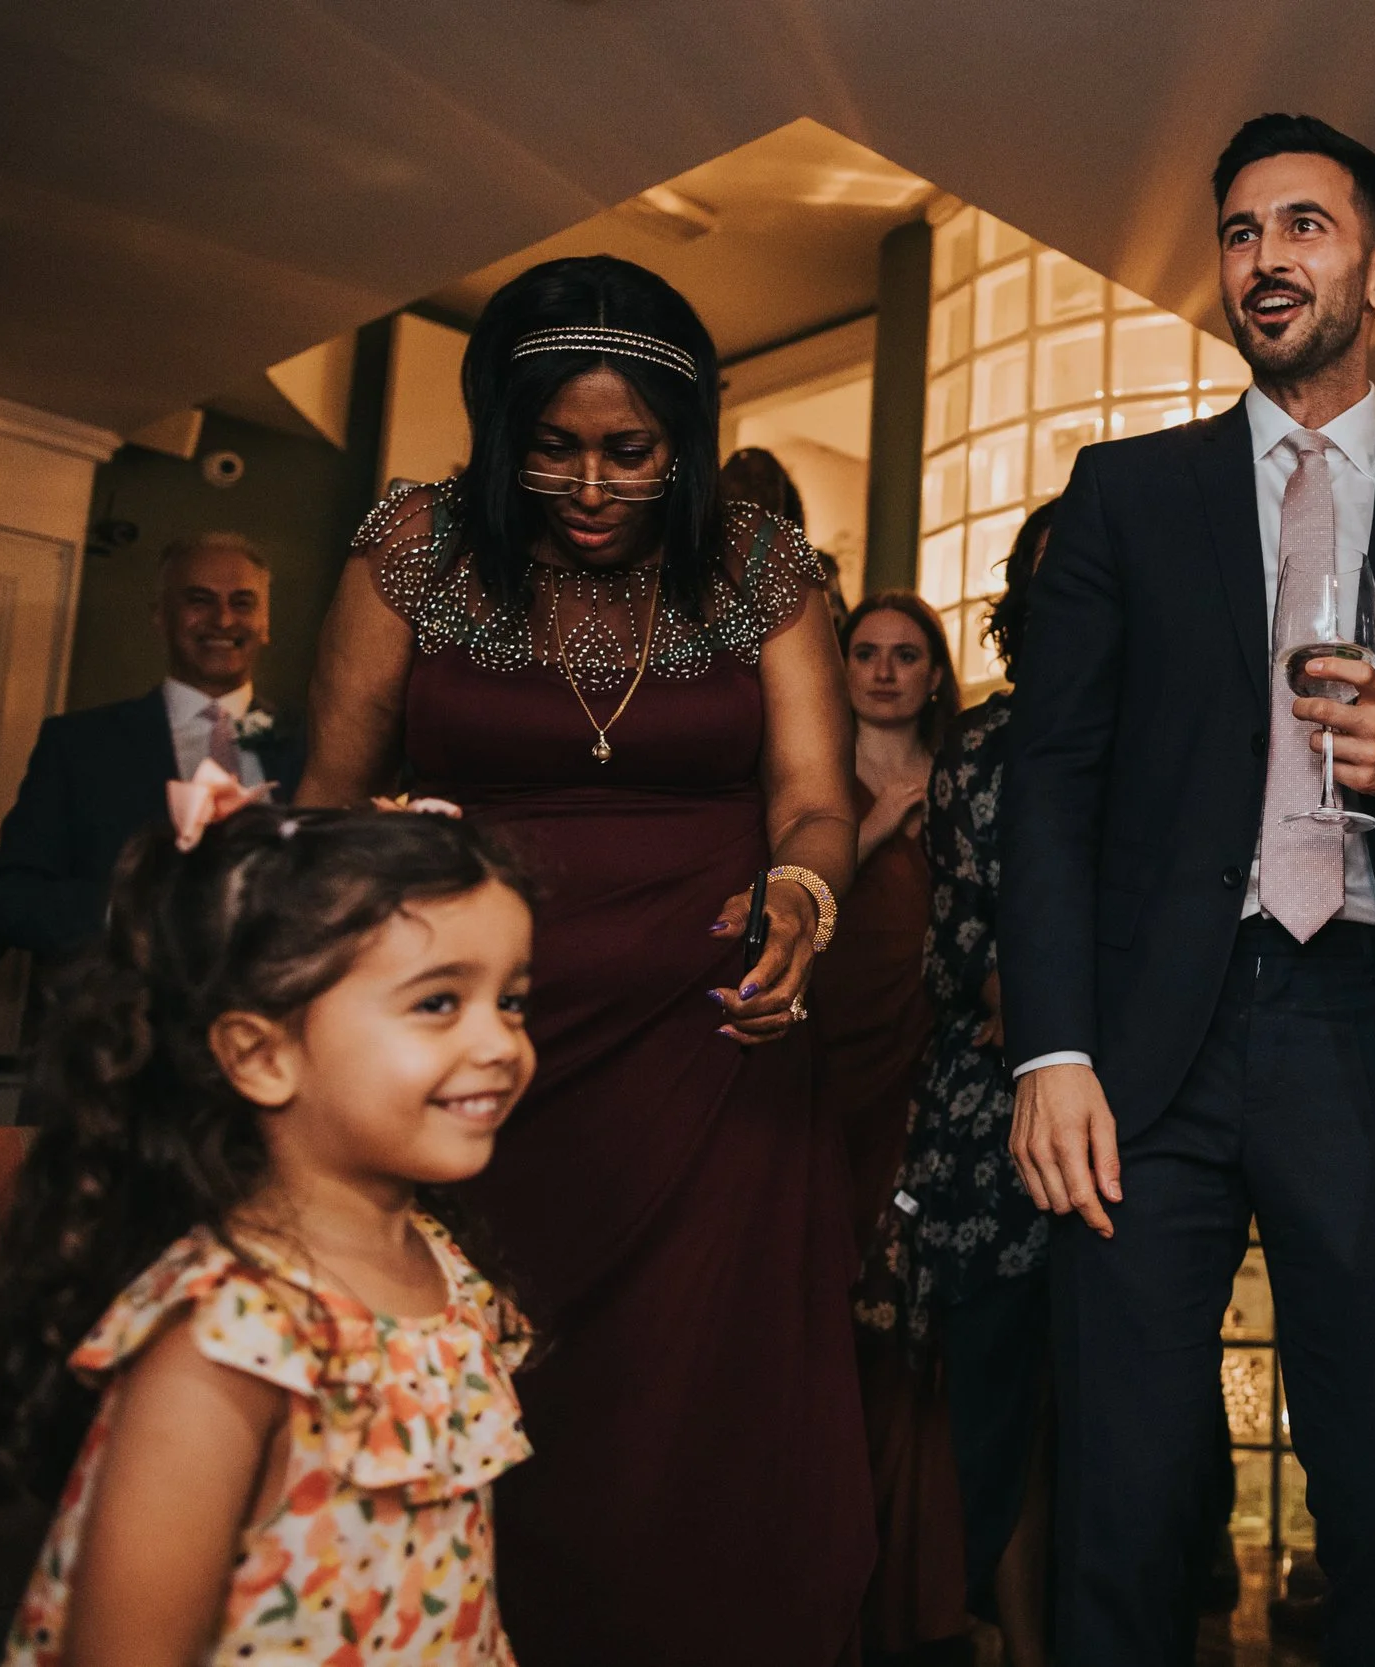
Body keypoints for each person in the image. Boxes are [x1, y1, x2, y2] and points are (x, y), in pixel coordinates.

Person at [1002, 113, 1375, 1666]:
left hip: (1369, 1027)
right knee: (1122, 1476)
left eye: (1303, 227)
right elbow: (1053, 781)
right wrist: (1052, 1046)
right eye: (1240, 232)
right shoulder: (1127, 492)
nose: (1265, 259)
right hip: (1145, 1048)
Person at [297, 254, 872, 1666]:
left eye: (632, 452)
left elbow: (815, 796)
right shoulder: (416, 549)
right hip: (475, 1058)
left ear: (684, 443)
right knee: (497, 1387)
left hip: (714, 1051)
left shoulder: (759, 564)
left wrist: (801, 891)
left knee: (700, 1416)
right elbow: (324, 804)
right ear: (503, 431)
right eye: (556, 451)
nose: (598, 487)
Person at [0, 803, 535, 1665]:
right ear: (261, 1055)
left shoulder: (442, 1269)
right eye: (439, 1001)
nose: (501, 1041)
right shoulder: (229, 1338)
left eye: (510, 1001)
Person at [900, 503, 1056, 1666]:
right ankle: (956, 1628)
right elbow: (966, 952)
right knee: (991, 1393)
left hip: (1140, 1110)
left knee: (1110, 1409)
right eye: (1047, 583)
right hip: (990, 1106)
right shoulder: (980, 746)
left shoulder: (1162, 732)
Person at [825, 589, 970, 1659]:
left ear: (934, 672)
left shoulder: (967, 782)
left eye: (904, 654)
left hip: (942, 1075)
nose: (882, 670)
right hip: (824, 1081)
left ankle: (920, 1604)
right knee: (828, 1323)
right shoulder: (806, 785)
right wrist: (874, 825)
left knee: (922, 1340)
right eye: (865, 652)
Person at [0, 533, 304, 962]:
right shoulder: (79, 745)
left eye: (243, 603)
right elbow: (12, 895)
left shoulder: (312, 747)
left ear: (266, 623)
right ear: (160, 615)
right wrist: (139, 914)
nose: (224, 620)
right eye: (200, 600)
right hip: (118, 1013)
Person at [723, 445, 848, 631]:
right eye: (742, 478)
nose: (754, 489)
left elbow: (839, 633)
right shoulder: (696, 563)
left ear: (784, 495)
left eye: (766, 481)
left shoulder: (816, 568)